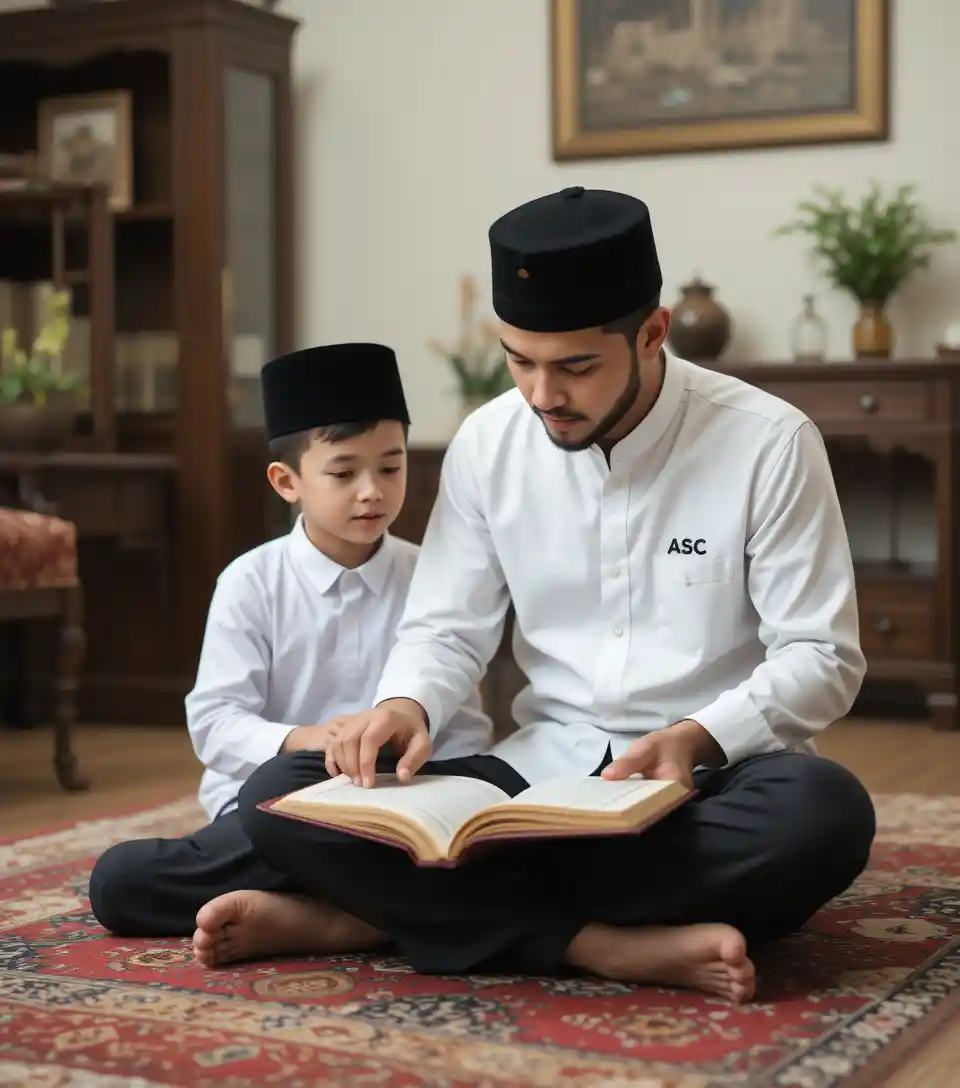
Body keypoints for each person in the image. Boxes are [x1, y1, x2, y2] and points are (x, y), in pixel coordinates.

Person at [233, 187, 876, 1003]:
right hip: (537, 780)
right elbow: (445, 629)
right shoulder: (488, 443)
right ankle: (596, 943)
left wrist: (696, 737)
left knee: (823, 814)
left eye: (575, 367)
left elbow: (822, 657)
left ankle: (386, 912)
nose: (541, 395)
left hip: (710, 782)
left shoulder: (768, 442)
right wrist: (405, 704)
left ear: (652, 333)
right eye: (519, 361)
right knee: (277, 793)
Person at [87, 342, 493, 965]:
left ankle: (332, 917)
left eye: (390, 468)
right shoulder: (250, 583)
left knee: (493, 846)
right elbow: (216, 723)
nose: (372, 492)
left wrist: (419, 780)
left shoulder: (431, 577)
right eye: (344, 473)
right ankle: (377, 910)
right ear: (287, 481)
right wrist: (307, 742)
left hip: (398, 810)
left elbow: (464, 728)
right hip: (275, 812)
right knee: (120, 882)